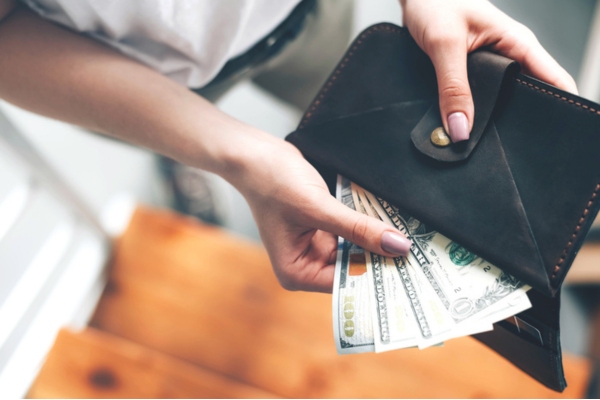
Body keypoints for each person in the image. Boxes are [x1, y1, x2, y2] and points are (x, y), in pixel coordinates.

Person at [0, 0, 577, 293]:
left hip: (305, 16)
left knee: (342, 110)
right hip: (126, 77)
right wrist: (237, 155)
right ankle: (185, 158)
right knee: (183, 137)